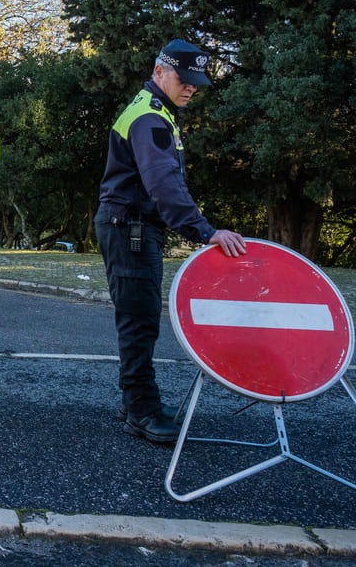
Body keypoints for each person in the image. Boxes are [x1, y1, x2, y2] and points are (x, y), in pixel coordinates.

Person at [95, 39, 247, 443]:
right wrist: (205, 231)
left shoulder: (154, 111)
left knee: (139, 317)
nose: (192, 88)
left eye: (197, 82)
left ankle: (136, 400)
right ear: (159, 70)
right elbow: (162, 185)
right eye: (186, 79)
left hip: (132, 226)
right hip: (130, 228)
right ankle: (141, 411)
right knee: (139, 319)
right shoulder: (150, 118)